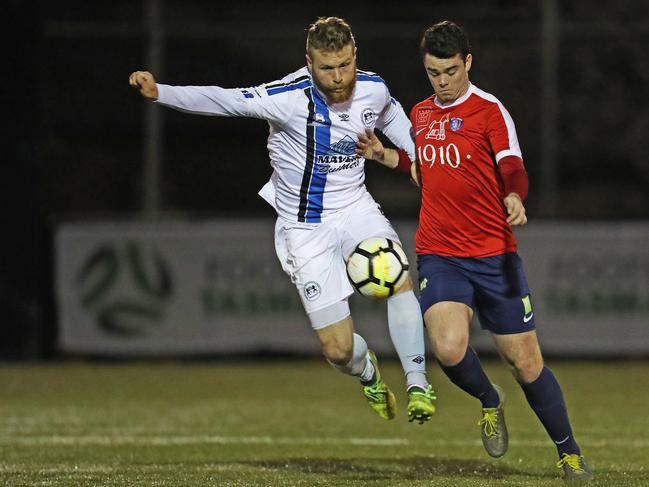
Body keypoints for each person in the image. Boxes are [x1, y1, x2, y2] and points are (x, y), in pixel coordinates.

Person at [128, 17, 436, 424]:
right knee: (338, 350)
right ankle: (368, 373)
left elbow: (394, 115)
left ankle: (418, 383)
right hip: (304, 228)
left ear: (354, 55)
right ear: (309, 62)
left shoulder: (372, 87)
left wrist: (418, 154)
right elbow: (225, 100)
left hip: (355, 207)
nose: (339, 76)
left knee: (396, 275)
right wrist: (159, 93)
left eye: (344, 64)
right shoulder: (288, 97)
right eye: (328, 68)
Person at [356, 20, 592, 481]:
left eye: (449, 71)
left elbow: (513, 166)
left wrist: (515, 196)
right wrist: (384, 155)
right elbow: (420, 165)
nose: (441, 82)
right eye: (432, 73)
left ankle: (568, 451)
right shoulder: (421, 114)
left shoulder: (489, 111)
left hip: (493, 256)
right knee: (447, 347)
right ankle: (490, 401)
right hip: (441, 254)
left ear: (468, 62)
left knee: (526, 363)